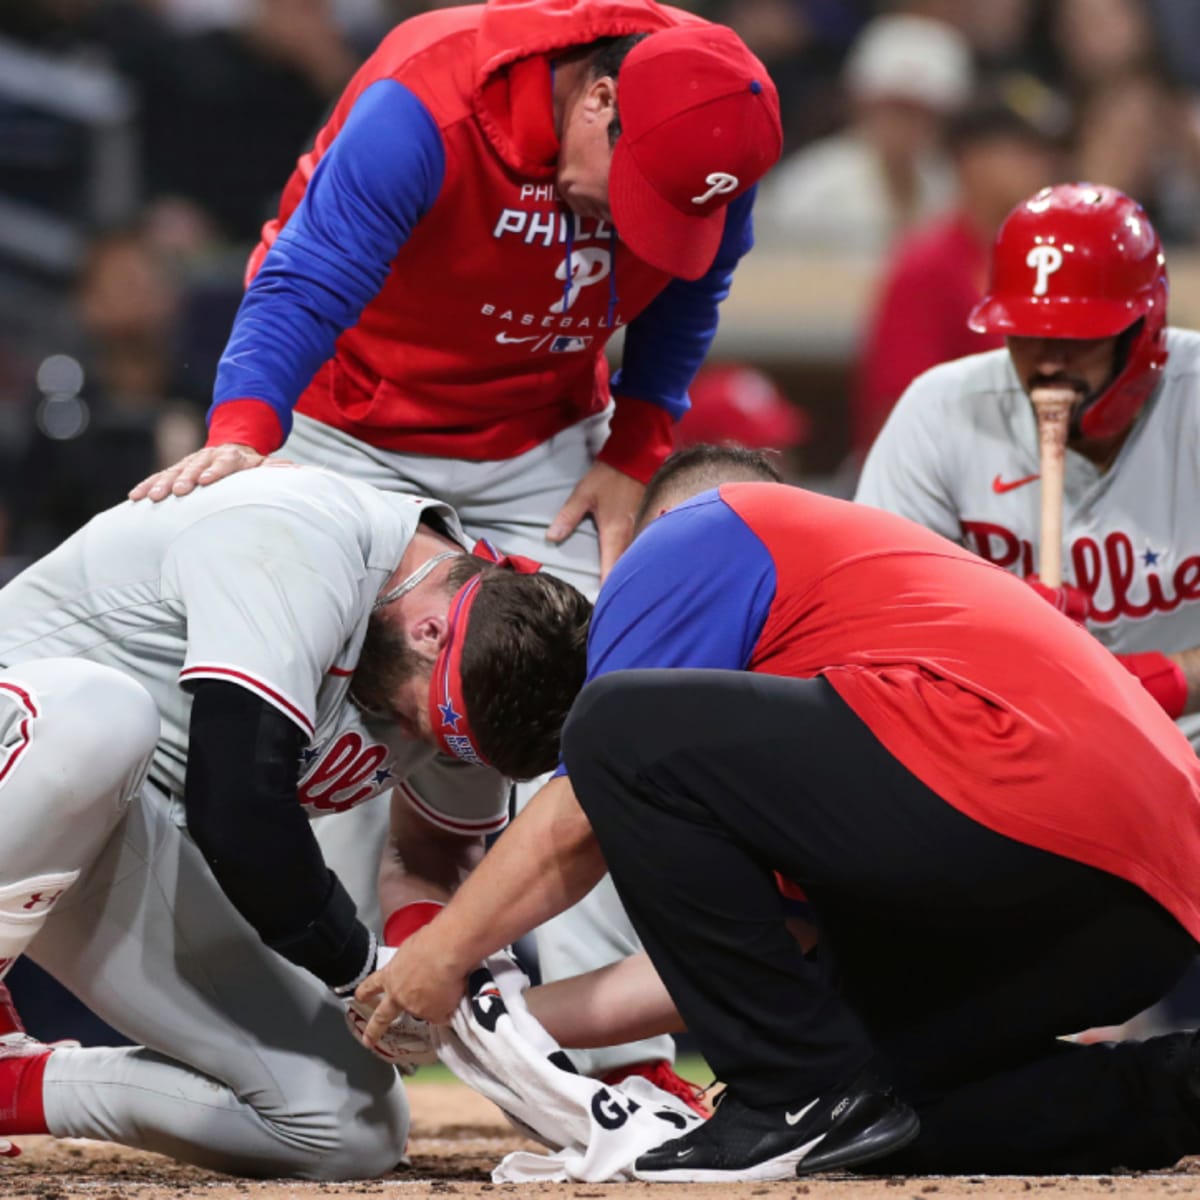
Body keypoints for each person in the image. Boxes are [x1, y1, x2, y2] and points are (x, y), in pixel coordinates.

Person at [126, 0, 784, 1086]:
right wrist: (246, 435)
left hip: (537, 445)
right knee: (321, 735)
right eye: (630, 199)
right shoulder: (425, 104)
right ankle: (326, 1062)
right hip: (345, 431)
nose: (629, 229)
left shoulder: (719, 120)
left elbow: (693, 288)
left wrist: (636, 444)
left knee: (607, 721)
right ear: (598, 100)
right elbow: (305, 277)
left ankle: (623, 1064)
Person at [354, 443, 1200, 1181]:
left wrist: (440, 958)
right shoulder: (809, 729)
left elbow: (580, 809)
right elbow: (763, 958)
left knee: (616, 725)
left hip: (1030, 799)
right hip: (1142, 906)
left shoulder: (685, 540)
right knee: (872, 1122)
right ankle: (1180, 1090)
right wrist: (485, 1022)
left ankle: (796, 1098)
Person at [0, 464, 589, 1178]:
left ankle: (16, 1086)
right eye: (417, 717)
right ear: (431, 630)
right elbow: (239, 810)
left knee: (349, 1122)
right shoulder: (301, 535)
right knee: (98, 719)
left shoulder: (483, 670)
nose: (415, 739)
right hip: (33, 753)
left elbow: (434, 852)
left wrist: (439, 973)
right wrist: (363, 969)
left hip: (122, 827)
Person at [855, 182, 1200, 751]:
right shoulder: (940, 412)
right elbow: (871, 630)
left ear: (1144, 328)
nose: (1048, 359)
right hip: (1008, 750)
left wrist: (1159, 680)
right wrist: (992, 642)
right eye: (1029, 331)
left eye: (1078, 334)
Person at [851, 79, 1063, 456]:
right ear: (969, 158)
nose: (1040, 166)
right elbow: (898, 411)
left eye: (1044, 153)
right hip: (952, 490)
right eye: (1021, 150)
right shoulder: (928, 266)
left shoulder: (1054, 261)